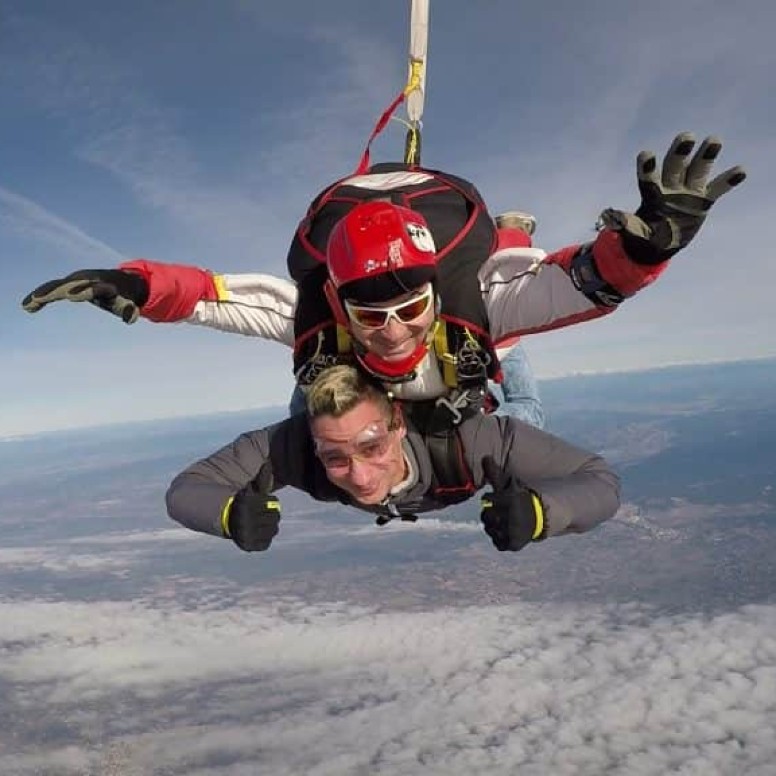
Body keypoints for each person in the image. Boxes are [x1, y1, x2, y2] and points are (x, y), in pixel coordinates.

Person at [22, 132, 745, 431]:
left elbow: (582, 283)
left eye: (409, 307)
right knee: (314, 399)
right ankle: (512, 232)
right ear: (338, 301)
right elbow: (221, 298)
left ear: (432, 294)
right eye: (371, 315)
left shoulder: (477, 307)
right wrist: (136, 285)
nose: (394, 327)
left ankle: (516, 227)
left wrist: (643, 250)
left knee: (516, 409)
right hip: (438, 330)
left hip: (480, 333)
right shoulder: (320, 321)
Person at [165, 365, 621, 553]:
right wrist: (228, 514)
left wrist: (541, 512)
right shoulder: (293, 447)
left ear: (398, 424)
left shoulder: (473, 440)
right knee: (306, 404)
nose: (360, 477)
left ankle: (506, 251)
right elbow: (186, 490)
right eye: (335, 457)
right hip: (318, 412)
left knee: (524, 408)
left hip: (466, 426)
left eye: (371, 447)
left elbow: (599, 481)